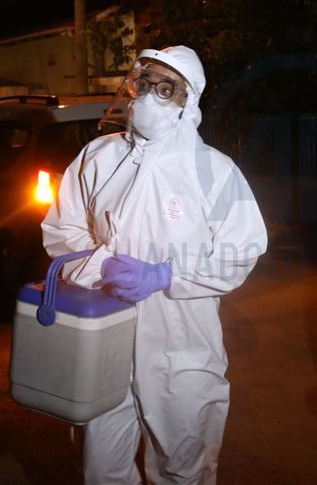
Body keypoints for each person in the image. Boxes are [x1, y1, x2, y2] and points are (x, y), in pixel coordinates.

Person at [42, 45, 268, 484]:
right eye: (143, 84)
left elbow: (241, 250)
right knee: (100, 465)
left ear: (189, 101)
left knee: (183, 466)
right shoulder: (98, 158)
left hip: (180, 343)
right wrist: (100, 267)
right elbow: (62, 228)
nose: (149, 96)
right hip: (102, 333)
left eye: (167, 89)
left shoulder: (213, 170)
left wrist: (167, 275)